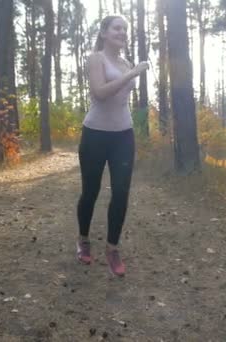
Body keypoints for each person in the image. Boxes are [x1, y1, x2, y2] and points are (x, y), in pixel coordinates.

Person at [76, 15, 148, 276]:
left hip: (123, 135)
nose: (123, 32)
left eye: (125, 29)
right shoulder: (97, 58)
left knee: (121, 192)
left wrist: (130, 70)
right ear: (105, 32)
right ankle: (83, 241)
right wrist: (132, 73)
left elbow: (121, 100)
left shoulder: (126, 62)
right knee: (90, 192)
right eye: (117, 28)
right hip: (95, 134)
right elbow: (100, 93)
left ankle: (112, 248)